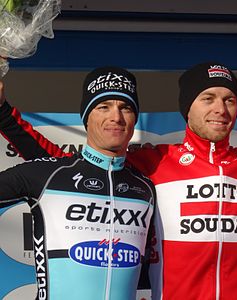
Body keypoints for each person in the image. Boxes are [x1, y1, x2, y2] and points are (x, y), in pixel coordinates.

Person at [0, 62, 237, 299]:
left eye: (230, 100)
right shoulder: (154, 163)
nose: (220, 109)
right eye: (208, 98)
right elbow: (69, 168)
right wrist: (3, 114)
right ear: (188, 106)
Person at [0, 66, 155, 300]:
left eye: (126, 108)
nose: (116, 117)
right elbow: (37, 148)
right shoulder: (51, 175)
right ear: (86, 117)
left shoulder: (147, 186)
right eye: (104, 107)